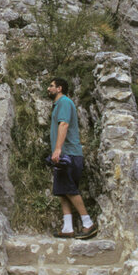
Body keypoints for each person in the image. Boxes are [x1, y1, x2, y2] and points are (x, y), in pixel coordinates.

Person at [48, 77, 97, 239]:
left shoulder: (64, 103)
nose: (49, 89)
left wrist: (58, 149)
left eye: (51, 86)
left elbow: (64, 124)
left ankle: (88, 223)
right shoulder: (58, 105)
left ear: (59, 88)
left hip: (68, 153)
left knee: (69, 189)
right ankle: (68, 227)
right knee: (62, 191)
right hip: (66, 154)